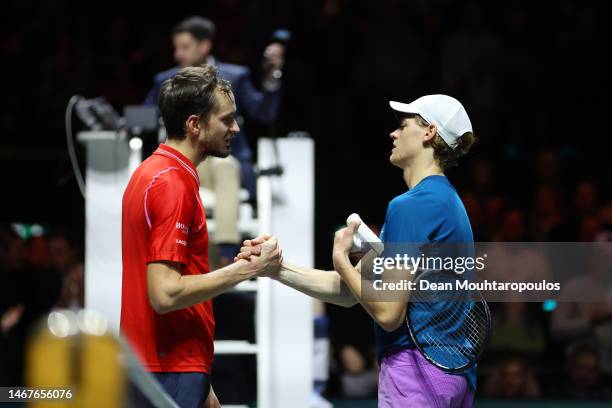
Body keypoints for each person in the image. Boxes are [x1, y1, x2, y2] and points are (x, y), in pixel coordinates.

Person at [240, 95, 477, 407]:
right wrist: (276, 269)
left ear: (429, 132)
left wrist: (341, 259)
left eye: (403, 126)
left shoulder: (412, 207)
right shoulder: (447, 202)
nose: (394, 134)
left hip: (416, 372)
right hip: (452, 374)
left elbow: (388, 314)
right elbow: (349, 292)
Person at [122, 65, 282, 408]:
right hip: (168, 369)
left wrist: (201, 376)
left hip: (169, 366)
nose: (235, 128)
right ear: (194, 124)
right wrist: (247, 269)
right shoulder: (172, 184)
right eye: (226, 119)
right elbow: (165, 294)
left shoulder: (155, 172)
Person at [145, 16, 284, 265]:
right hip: (182, 160)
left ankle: (227, 255)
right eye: (175, 47)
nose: (178, 54)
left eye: (184, 47)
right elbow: (142, 118)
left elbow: (264, 113)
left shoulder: (235, 76)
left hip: (221, 160)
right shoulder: (165, 81)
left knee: (225, 167)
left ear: (204, 46)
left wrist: (273, 76)